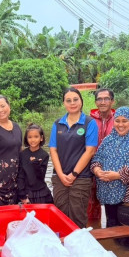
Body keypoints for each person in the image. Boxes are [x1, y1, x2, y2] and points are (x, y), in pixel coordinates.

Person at [91, 107, 129, 247]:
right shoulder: (109, 140)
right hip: (110, 197)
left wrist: (118, 175)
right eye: (117, 121)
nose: (120, 124)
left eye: (125, 121)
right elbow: (97, 158)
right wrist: (97, 170)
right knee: (113, 236)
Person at [49, 87, 98, 228]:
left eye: (75, 99)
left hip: (81, 178)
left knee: (78, 216)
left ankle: (79, 241)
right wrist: (60, 174)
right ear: (64, 103)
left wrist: (74, 174)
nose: (72, 103)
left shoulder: (89, 123)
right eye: (68, 100)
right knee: (60, 216)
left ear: (81, 101)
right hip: (60, 178)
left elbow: (90, 151)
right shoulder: (57, 123)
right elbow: (53, 150)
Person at [87, 88, 116, 227]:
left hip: (113, 170)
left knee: (113, 207)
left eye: (106, 99)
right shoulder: (88, 120)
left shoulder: (120, 119)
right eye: (99, 99)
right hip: (90, 167)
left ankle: (113, 234)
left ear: (112, 101)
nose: (103, 102)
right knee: (91, 207)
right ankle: (94, 231)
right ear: (95, 102)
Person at [17, 124, 53, 204]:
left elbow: (41, 176)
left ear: (41, 138)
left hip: (40, 191)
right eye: (30, 137)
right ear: (26, 139)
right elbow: (20, 176)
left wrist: (36, 164)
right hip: (26, 191)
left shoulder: (44, 155)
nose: (33, 140)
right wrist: (22, 194)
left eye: (36, 137)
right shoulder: (22, 154)